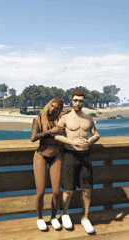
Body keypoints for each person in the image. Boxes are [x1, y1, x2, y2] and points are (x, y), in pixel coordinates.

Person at [31, 97, 83, 231]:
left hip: (56, 155)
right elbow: (33, 138)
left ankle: (53, 217)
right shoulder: (37, 119)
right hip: (41, 154)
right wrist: (50, 132)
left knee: (56, 192)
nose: (53, 109)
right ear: (48, 105)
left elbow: (72, 113)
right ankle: (40, 218)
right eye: (52, 106)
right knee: (41, 192)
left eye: (57, 108)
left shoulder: (58, 120)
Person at [57, 91, 100, 234]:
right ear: (71, 101)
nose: (77, 103)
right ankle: (64, 214)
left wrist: (89, 140)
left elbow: (96, 134)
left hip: (85, 155)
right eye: (75, 100)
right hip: (70, 154)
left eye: (80, 101)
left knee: (87, 189)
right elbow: (57, 136)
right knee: (68, 189)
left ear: (84, 102)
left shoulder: (88, 118)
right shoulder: (65, 118)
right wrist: (72, 141)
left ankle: (85, 218)